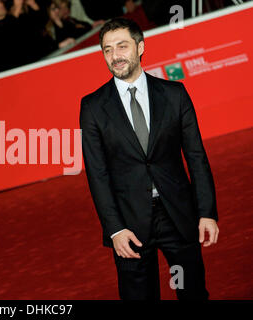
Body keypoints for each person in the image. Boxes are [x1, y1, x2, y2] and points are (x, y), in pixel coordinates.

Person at [79, 18, 219, 300]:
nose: (115, 56)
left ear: (140, 47)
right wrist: (115, 229)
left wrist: (206, 212)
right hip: (129, 224)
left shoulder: (174, 95)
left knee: (192, 293)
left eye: (122, 46)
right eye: (107, 50)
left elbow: (196, 157)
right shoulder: (92, 106)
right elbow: (97, 173)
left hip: (177, 215)